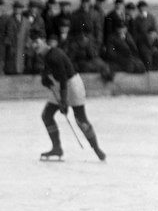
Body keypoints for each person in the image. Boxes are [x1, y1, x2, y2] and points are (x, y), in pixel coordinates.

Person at [31, 32, 106, 161]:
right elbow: (50, 69)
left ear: (44, 41)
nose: (34, 45)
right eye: (31, 42)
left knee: (80, 119)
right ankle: (57, 148)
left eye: (36, 41)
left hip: (71, 86)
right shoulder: (46, 54)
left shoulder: (54, 56)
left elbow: (64, 78)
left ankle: (97, 149)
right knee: (47, 115)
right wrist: (45, 76)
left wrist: (64, 101)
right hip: (60, 85)